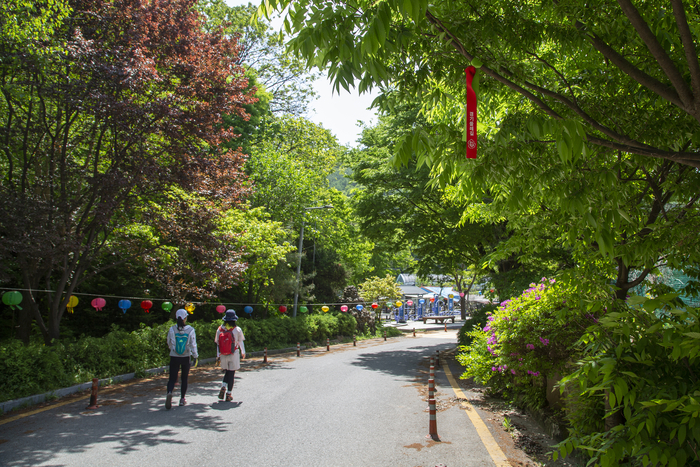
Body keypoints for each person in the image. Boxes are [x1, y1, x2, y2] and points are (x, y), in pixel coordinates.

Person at [165, 308, 198, 409]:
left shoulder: (172, 329)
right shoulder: (190, 330)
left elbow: (169, 342)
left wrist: (173, 349)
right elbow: (193, 344)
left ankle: (169, 392)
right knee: (184, 378)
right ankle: (182, 399)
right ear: (185, 317)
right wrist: (195, 356)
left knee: (172, 378)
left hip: (174, 356)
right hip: (185, 356)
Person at [215, 310, 246, 402]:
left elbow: (217, 343)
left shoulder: (220, 329)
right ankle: (228, 394)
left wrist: (218, 355)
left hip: (223, 354)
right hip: (234, 353)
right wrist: (243, 352)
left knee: (227, 372)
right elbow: (240, 341)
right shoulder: (237, 329)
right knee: (231, 373)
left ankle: (223, 386)